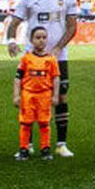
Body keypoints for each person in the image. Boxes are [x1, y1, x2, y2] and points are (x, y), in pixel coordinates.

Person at [6, 0, 80, 157]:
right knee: (29, 98)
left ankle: (61, 144)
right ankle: (27, 144)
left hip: (58, 57)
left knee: (61, 97)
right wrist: (11, 41)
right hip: (32, 57)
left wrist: (58, 47)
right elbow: (14, 23)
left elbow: (73, 26)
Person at [15, 26, 59, 160]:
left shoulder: (51, 59)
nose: (41, 40)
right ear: (31, 40)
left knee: (44, 123)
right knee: (26, 123)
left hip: (44, 95)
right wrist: (16, 95)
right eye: (38, 38)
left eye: (44, 38)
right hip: (28, 94)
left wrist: (55, 95)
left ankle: (45, 149)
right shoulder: (26, 59)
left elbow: (56, 78)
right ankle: (24, 149)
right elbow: (18, 77)